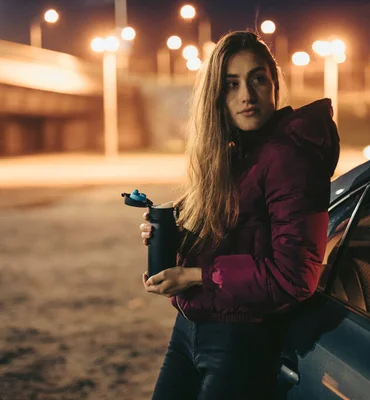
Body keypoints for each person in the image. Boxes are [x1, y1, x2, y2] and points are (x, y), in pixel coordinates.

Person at [138, 30, 340, 400]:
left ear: (274, 86)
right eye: (232, 84)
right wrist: (176, 239)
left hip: (240, 341)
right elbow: (241, 236)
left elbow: (295, 276)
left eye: (257, 79)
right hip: (189, 329)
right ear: (217, 96)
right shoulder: (236, 153)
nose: (247, 95)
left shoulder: (289, 158)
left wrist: (194, 275)